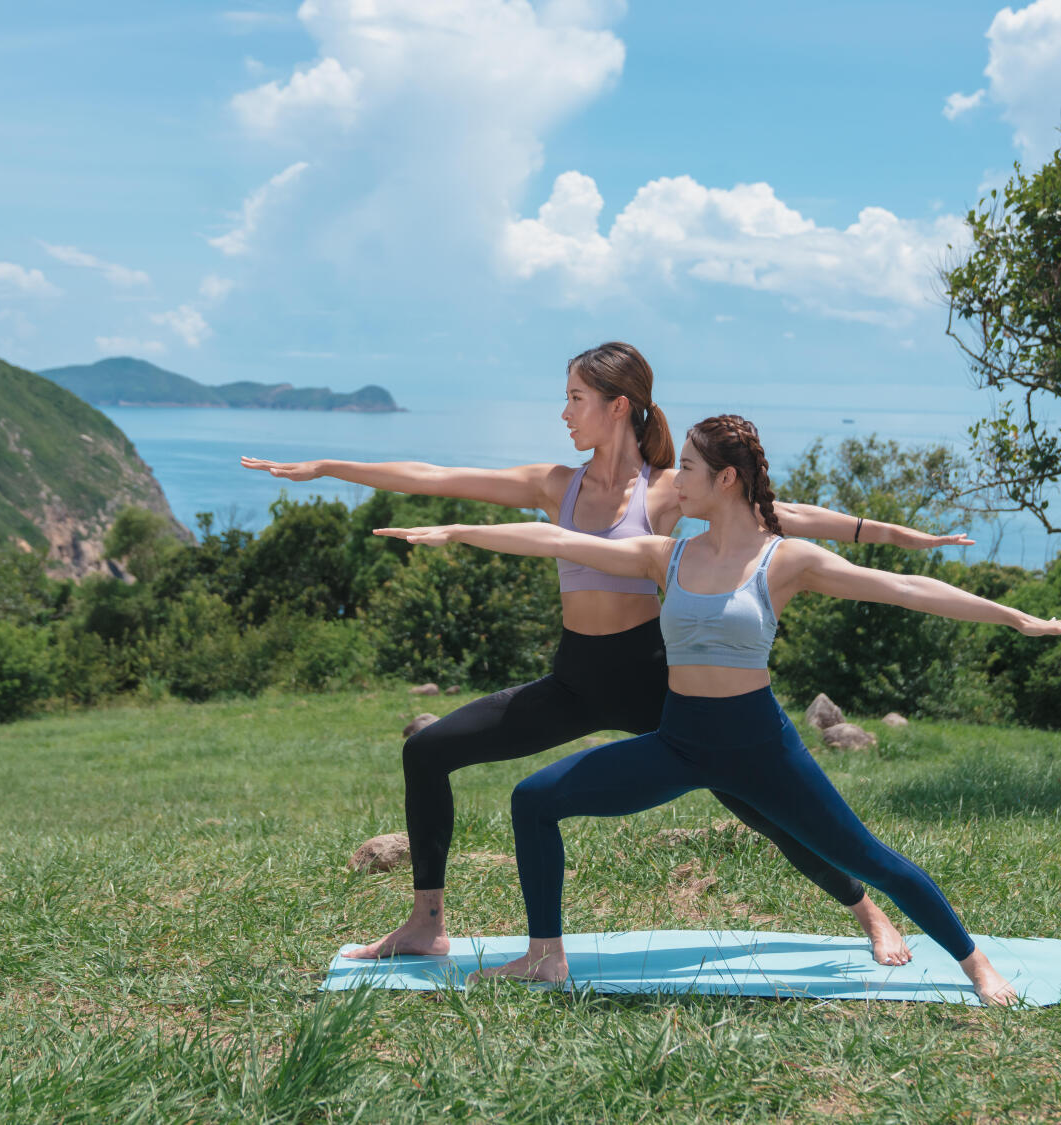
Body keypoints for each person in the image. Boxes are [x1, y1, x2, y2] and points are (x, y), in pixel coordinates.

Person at [242, 343, 972, 966]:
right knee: (429, 750)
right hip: (575, 679)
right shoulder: (552, 484)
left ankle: (866, 908)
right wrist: (331, 466)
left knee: (766, 809)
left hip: (658, 685)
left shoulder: (663, 493)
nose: (564, 412)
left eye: (575, 397)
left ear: (618, 406)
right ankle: (426, 923)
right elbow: (433, 476)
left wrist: (898, 536)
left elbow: (786, 520)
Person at [372, 414, 1061, 1005]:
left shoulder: (788, 560)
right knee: (534, 798)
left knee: (875, 861)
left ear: (724, 479)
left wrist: (1018, 619)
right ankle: (544, 955)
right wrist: (455, 531)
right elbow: (557, 539)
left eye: (686, 467)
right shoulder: (669, 555)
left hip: (760, 749)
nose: (672, 478)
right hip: (678, 741)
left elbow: (905, 588)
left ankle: (976, 964)